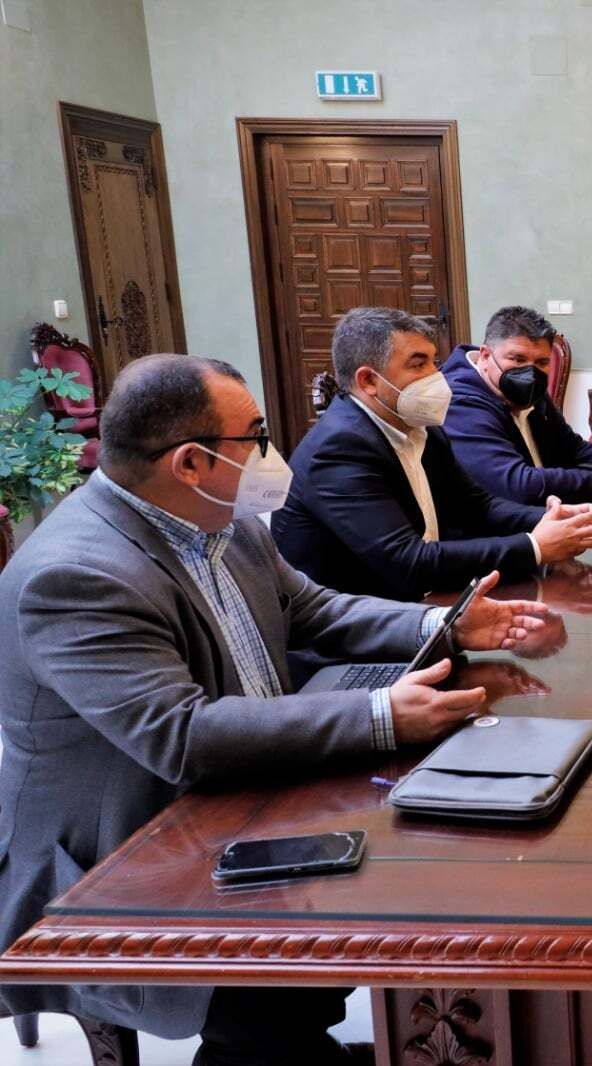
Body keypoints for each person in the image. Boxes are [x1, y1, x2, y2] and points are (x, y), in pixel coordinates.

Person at [0, 353, 555, 1064]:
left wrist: (443, 626)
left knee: (423, 866)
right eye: (255, 436)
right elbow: (181, 735)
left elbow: (310, 608)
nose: (271, 452)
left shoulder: (216, 517)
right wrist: (380, 715)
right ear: (191, 463)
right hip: (120, 855)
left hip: (238, 797)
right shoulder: (76, 574)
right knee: (269, 999)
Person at [273, 307, 592, 600]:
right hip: (359, 633)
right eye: (418, 365)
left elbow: (476, 507)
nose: (436, 376)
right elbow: (410, 562)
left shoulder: (421, 425)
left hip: (422, 602)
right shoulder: (339, 449)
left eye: (434, 362)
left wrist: (552, 520)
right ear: (369, 381)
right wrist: (535, 547)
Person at [441, 305, 592, 504]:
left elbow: (571, 448)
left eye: (541, 362)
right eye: (517, 359)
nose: (529, 372)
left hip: (545, 515)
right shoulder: (459, 403)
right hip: (496, 532)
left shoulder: (529, 389)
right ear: (486, 355)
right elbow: (517, 485)